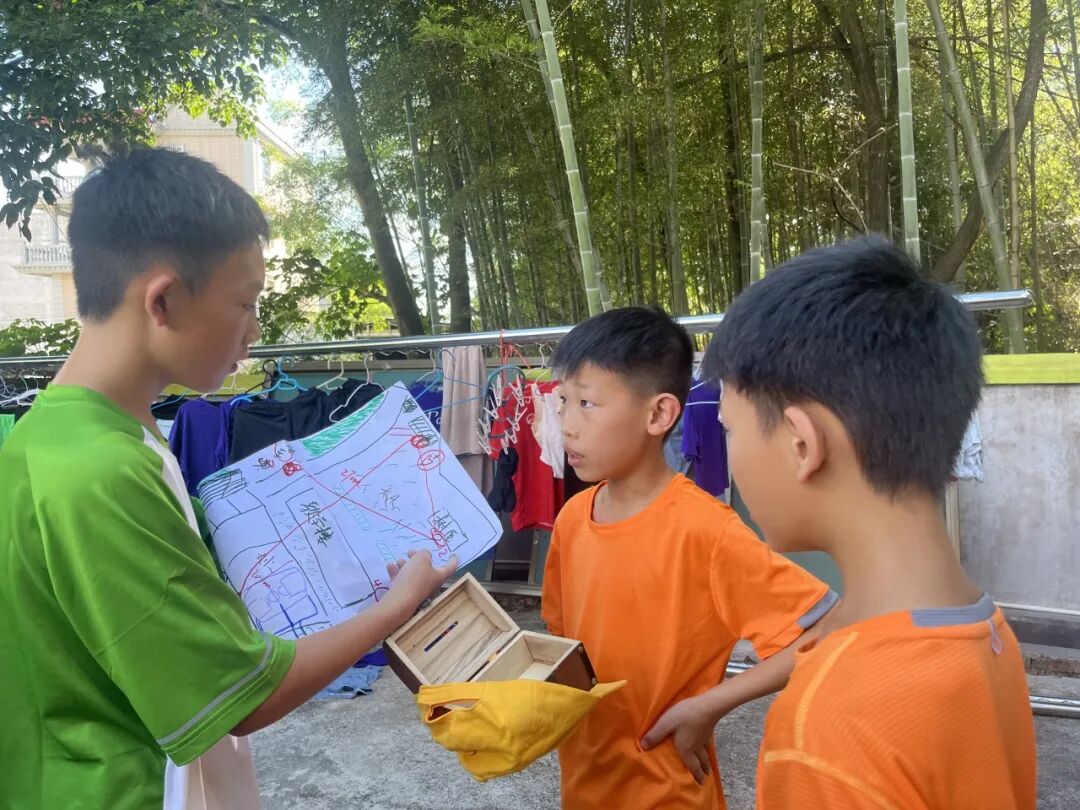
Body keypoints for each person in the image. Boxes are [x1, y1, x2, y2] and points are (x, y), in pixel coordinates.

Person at [0, 148, 456, 810]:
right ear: (163, 300)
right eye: (245, 302)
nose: (255, 331)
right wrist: (394, 607)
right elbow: (242, 697)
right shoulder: (100, 472)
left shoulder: (64, 430)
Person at [702, 236, 1036, 808]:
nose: (729, 451)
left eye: (729, 429)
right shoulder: (986, 632)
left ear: (802, 443)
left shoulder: (829, 727)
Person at [542, 307, 838, 809]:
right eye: (563, 401)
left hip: (668, 789)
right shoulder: (572, 518)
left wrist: (710, 706)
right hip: (584, 782)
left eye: (587, 403)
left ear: (658, 415)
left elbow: (824, 631)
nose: (567, 425)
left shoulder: (706, 529)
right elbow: (563, 644)